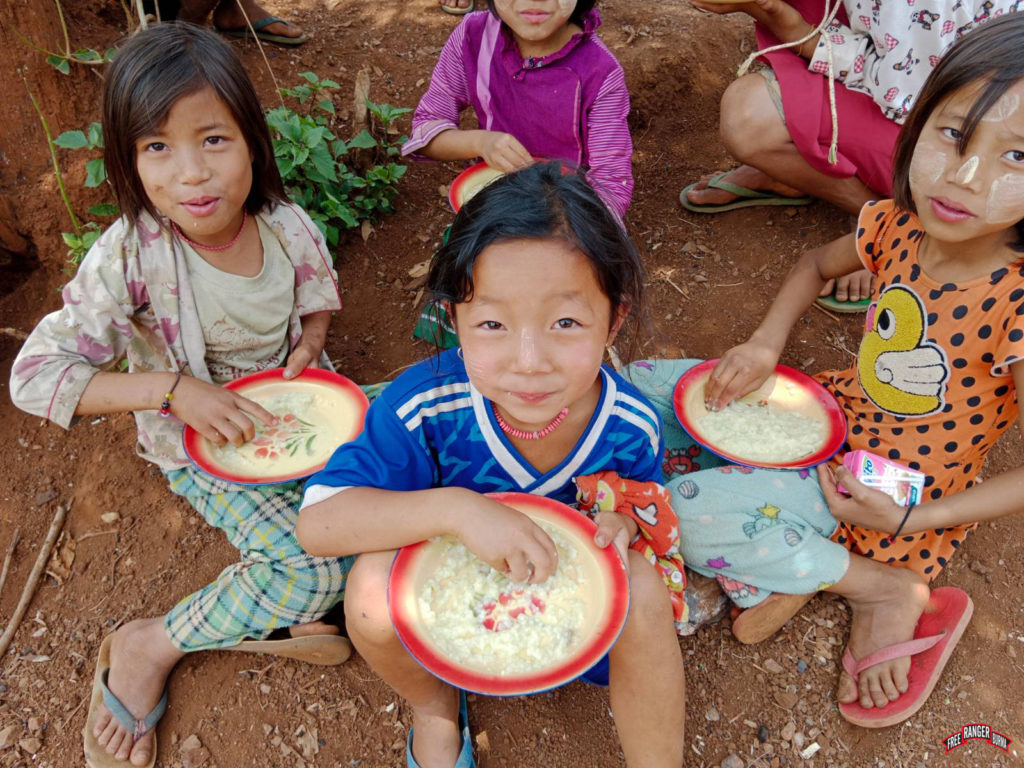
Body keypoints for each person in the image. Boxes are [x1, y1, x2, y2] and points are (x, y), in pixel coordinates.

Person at [634, 11, 1024, 729]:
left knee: (683, 509)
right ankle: (780, 565)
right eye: (953, 133)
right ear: (918, 119)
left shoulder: (1016, 304)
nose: (966, 177)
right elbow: (815, 264)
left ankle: (879, 585)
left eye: (1018, 156)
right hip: (832, 413)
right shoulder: (900, 223)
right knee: (647, 387)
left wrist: (914, 517)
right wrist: (764, 346)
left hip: (893, 489)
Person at [10, 23, 349, 767]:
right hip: (203, 453)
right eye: (157, 146)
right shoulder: (130, 257)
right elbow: (33, 376)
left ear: (253, 142)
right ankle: (150, 644)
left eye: (213, 139)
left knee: (406, 470)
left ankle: (292, 608)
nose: (192, 173)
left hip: (302, 419)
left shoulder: (287, 226)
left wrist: (312, 343)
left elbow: (316, 297)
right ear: (128, 160)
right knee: (319, 569)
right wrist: (172, 390)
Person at [296, 163, 686, 768]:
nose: (528, 361)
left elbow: (642, 501)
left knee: (643, 590)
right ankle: (435, 708)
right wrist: (457, 511)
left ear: (615, 318)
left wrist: (624, 523)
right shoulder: (425, 406)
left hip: (573, 609)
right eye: (493, 324)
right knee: (370, 592)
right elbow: (319, 523)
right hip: (450, 599)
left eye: (565, 322)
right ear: (454, 320)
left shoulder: (629, 424)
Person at [681, 0, 1018, 309]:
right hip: (907, 75)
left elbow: (904, 98)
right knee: (753, 117)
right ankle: (796, 173)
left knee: (751, 120)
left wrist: (771, 12)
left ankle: (889, 223)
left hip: (943, 127)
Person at [404, 0, 632, 347]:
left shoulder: (600, 71)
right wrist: (481, 142)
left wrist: (569, 237)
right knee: (475, 296)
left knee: (557, 317)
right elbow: (426, 131)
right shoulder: (472, 37)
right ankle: (465, 347)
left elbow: (612, 184)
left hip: (567, 224)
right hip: (491, 212)